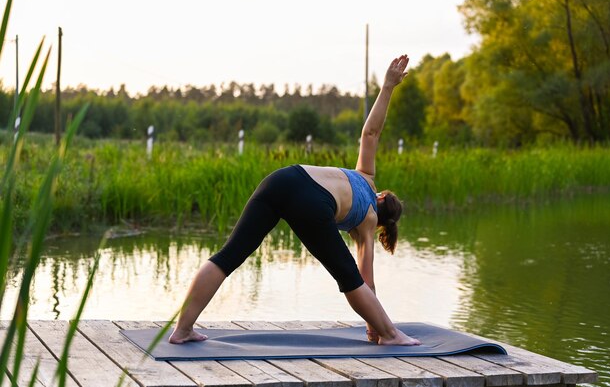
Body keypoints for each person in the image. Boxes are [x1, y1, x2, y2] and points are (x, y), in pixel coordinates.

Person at [169, 55, 421, 346]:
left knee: (229, 255)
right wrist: (374, 328)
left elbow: (371, 132)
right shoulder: (368, 222)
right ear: (383, 222)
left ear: (381, 194)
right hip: (313, 200)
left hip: (284, 178)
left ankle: (182, 329)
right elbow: (366, 283)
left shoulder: (365, 173)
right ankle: (391, 335)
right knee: (348, 277)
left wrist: (388, 86)